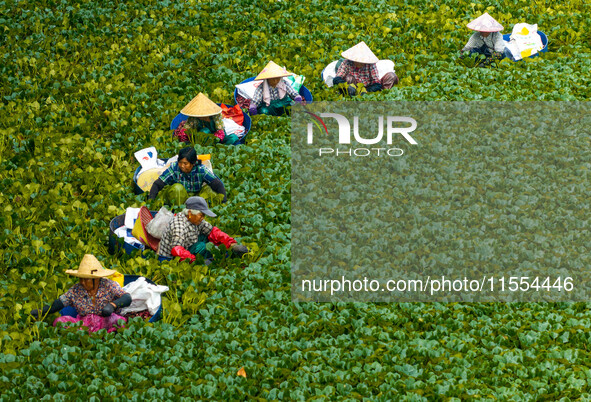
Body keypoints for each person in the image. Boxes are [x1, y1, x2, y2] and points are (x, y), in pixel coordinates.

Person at [30, 254, 132, 333]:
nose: (82, 282)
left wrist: (112, 305)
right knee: (59, 321)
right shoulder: (76, 290)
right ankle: (83, 336)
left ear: (95, 279)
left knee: (118, 321)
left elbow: (127, 298)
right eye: (81, 279)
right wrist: (42, 311)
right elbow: (60, 303)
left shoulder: (109, 285)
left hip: (106, 321)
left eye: (86, 279)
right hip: (84, 325)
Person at [158, 196, 248, 262]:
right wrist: (197, 261)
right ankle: (205, 258)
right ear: (190, 213)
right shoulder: (179, 226)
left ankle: (222, 252)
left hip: (188, 243)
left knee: (207, 236)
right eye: (201, 215)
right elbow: (177, 250)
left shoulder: (195, 220)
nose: (203, 218)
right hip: (171, 258)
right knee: (202, 245)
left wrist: (232, 244)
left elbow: (213, 232)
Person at [149, 146, 227, 203]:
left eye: (185, 163)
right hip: (178, 199)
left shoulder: (201, 169)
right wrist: (151, 200)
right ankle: (178, 210)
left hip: (195, 198)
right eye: (180, 162)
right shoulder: (174, 168)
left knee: (210, 191)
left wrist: (223, 200)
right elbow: (158, 184)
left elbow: (217, 183)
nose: (182, 166)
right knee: (177, 188)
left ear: (193, 163)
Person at [333, 41, 398, 96]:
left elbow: (377, 83)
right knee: (349, 78)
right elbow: (337, 78)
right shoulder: (346, 63)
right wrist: (347, 86)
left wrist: (366, 91)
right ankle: (351, 97)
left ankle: (384, 96)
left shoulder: (370, 64)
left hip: (368, 88)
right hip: (353, 88)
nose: (360, 64)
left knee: (392, 76)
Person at [174, 93, 240, 145]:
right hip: (201, 140)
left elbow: (221, 132)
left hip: (216, 139)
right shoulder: (194, 118)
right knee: (205, 131)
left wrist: (213, 140)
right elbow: (185, 131)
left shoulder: (216, 116)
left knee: (233, 138)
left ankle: (219, 148)